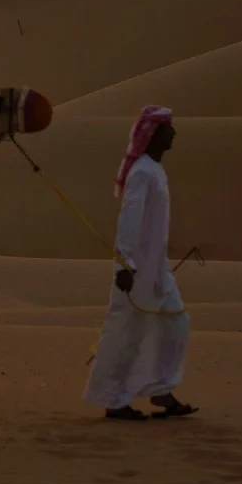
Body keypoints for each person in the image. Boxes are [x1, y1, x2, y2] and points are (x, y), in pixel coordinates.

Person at [82, 105, 198, 421]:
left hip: (156, 270)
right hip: (134, 271)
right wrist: (124, 265)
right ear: (155, 134)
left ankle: (160, 390)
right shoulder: (143, 172)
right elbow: (129, 220)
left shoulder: (155, 170)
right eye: (168, 127)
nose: (174, 132)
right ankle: (114, 401)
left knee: (176, 324)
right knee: (127, 333)